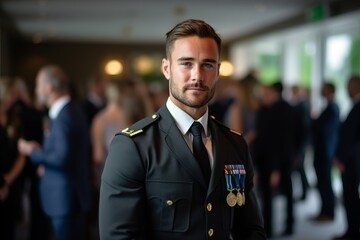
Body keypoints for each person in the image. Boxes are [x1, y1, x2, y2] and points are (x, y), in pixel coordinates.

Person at [99, 19, 266, 240]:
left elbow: (250, 228)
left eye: (207, 64)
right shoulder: (134, 146)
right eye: (186, 63)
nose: (197, 76)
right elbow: (119, 236)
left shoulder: (234, 144)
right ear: (167, 69)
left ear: (217, 71)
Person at [18, 65, 92, 240]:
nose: (36, 90)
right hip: (67, 197)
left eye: (38, 85)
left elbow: (62, 158)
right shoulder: (69, 110)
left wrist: (32, 152)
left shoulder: (65, 115)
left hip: (65, 199)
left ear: (50, 88)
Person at [253, 82, 297, 238]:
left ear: (274, 92)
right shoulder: (280, 109)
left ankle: (273, 228)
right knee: (281, 193)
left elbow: (275, 141)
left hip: (274, 160)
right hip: (279, 158)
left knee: (270, 195)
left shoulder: (276, 111)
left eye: (266, 92)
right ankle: (283, 226)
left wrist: (275, 168)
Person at [332, 75, 360, 240]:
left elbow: (351, 138)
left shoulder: (358, 107)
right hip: (352, 159)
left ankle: (353, 231)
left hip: (351, 161)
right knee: (350, 196)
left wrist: (341, 159)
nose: (347, 89)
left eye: (349, 85)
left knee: (350, 197)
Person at [310, 82, 339, 221]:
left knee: (325, 183)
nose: (321, 91)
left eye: (323, 89)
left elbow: (325, 130)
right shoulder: (329, 106)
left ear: (329, 90)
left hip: (325, 152)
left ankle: (329, 212)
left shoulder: (332, 108)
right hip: (322, 151)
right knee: (322, 183)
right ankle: (324, 211)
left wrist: (314, 120)